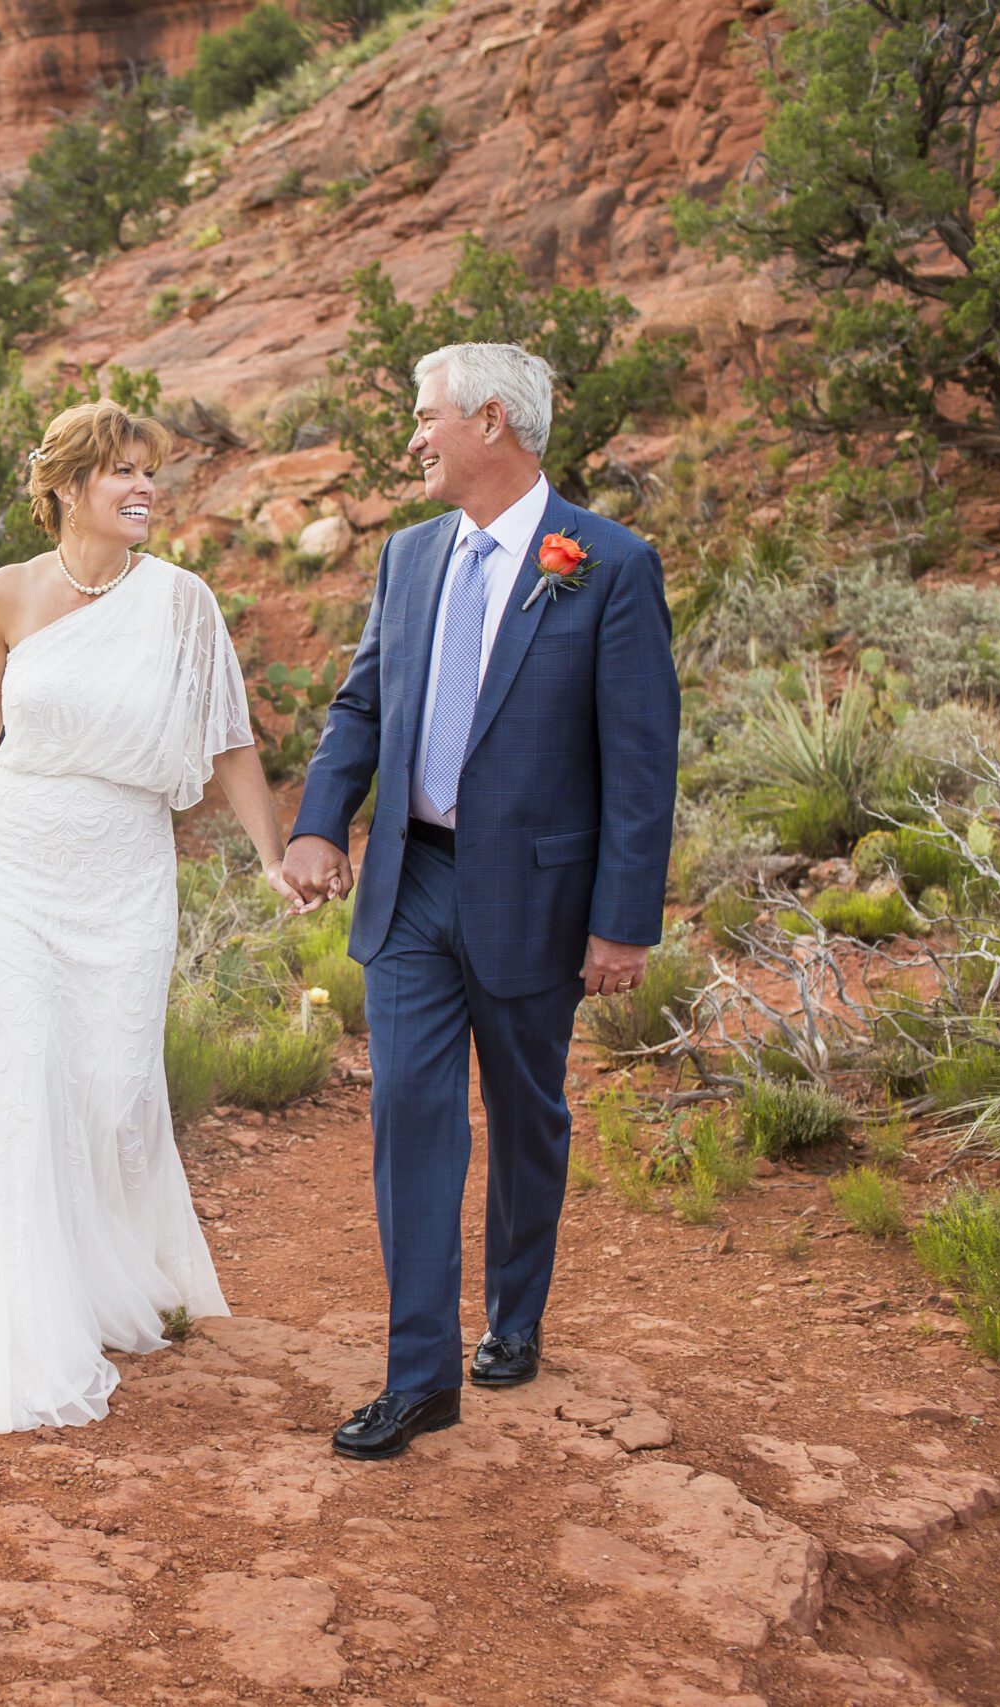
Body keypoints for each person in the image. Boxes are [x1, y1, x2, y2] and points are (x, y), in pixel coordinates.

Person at [281, 342, 680, 1461]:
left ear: (491, 422)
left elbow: (641, 765)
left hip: (539, 900)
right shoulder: (408, 559)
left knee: (526, 1119)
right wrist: (321, 820)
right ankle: (419, 1378)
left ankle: (516, 1310)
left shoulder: (607, 564)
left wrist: (620, 922)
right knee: (409, 1116)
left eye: (426, 417)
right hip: (411, 885)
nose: (412, 437)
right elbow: (360, 705)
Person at [0, 399, 288, 1435]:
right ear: (64, 488)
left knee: (110, 1083)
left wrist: (273, 857)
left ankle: (101, 1279)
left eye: (151, 474)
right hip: (18, 858)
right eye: (121, 473)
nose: (144, 490)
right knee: (23, 1085)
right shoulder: (7, 593)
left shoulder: (183, 603)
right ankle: (26, 1321)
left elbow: (229, 743)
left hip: (126, 865)